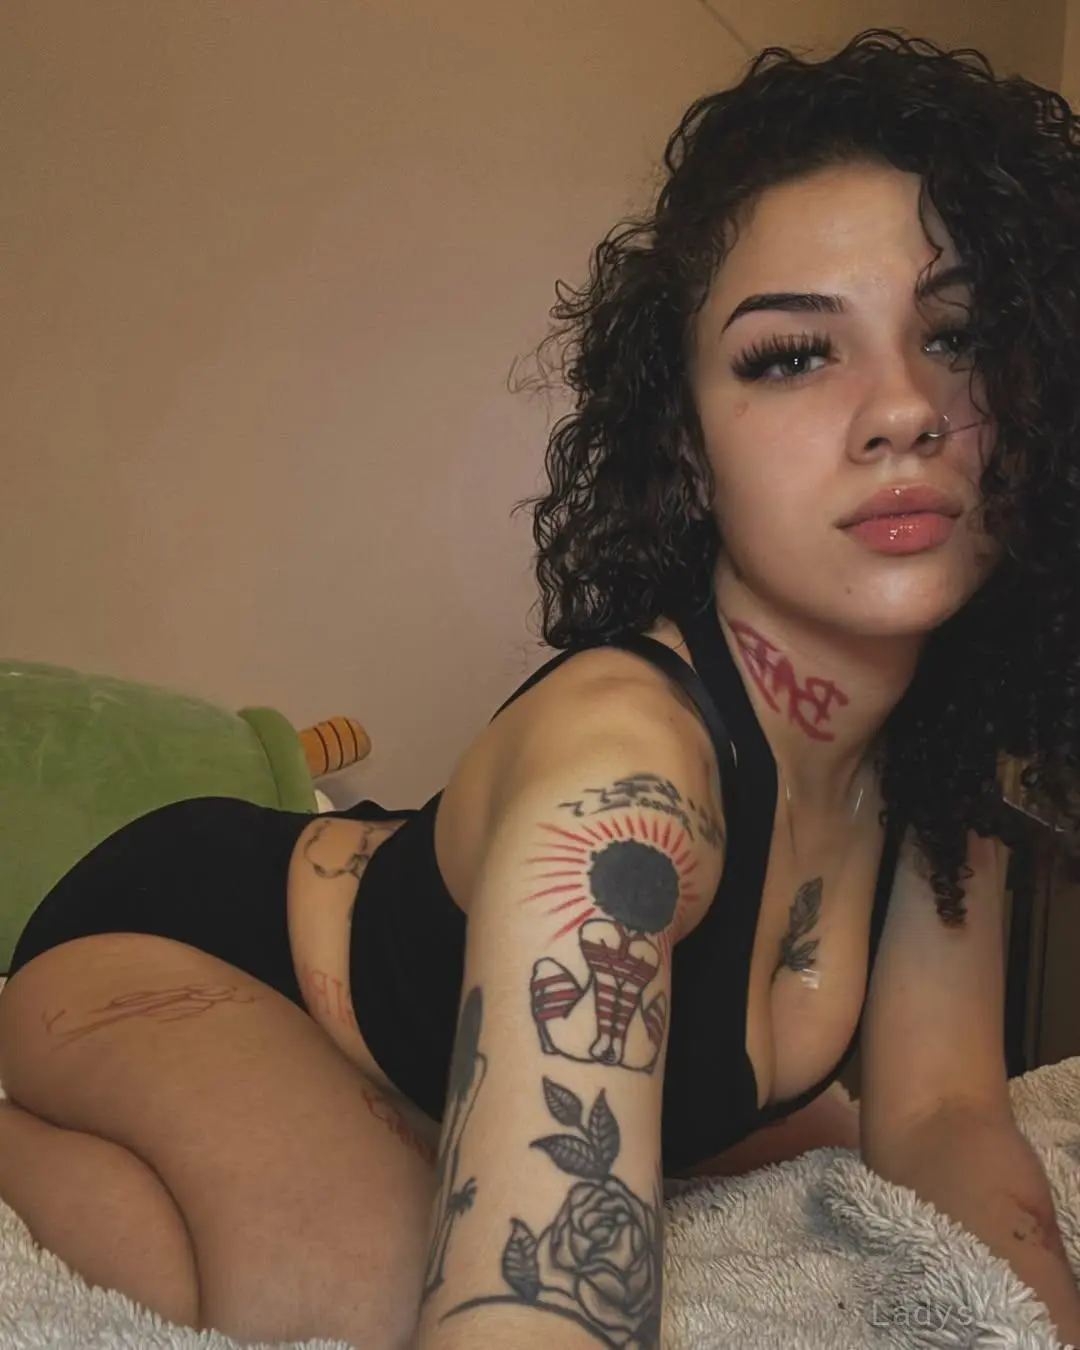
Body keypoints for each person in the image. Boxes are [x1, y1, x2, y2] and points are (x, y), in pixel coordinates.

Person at [3, 26, 1080, 1350]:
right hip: (176, 940)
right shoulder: (622, 769)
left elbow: (943, 1115)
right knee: (351, 1294)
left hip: (379, 955)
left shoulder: (937, 757)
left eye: (956, 335)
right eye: (794, 354)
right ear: (688, 449)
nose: (904, 407)